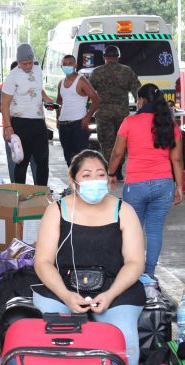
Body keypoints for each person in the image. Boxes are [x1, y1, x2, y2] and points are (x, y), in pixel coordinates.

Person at [33, 150, 146, 365]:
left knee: (124, 338)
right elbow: (43, 261)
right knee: (52, 338)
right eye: (86, 175)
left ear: (108, 178)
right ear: (73, 180)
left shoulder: (124, 211)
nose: (94, 180)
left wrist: (110, 294)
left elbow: (135, 262)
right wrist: (65, 295)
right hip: (61, 287)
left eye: (100, 174)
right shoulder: (56, 210)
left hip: (116, 288)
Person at [109, 83, 183, 277]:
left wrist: (110, 173)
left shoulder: (129, 122)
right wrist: (179, 187)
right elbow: (176, 159)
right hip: (164, 184)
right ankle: (148, 275)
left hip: (136, 185)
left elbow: (117, 152)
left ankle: (130, 273)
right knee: (154, 231)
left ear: (141, 100)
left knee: (131, 230)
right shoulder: (170, 125)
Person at [1, 43, 55, 186]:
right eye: (24, 63)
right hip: (20, 122)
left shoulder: (38, 70)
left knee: (43, 161)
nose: (27, 66)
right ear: (18, 62)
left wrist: (46, 99)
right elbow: (4, 103)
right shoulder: (12, 77)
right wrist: (8, 127)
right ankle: (20, 192)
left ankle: (42, 193)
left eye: (30, 63)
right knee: (21, 161)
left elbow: (38, 89)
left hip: (38, 121)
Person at [89, 45, 141, 179]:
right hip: (121, 114)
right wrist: (141, 111)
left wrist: (87, 111)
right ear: (118, 57)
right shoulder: (127, 71)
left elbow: (89, 92)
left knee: (106, 142)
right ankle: (118, 170)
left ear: (104, 57)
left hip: (103, 113)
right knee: (121, 141)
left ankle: (109, 168)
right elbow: (137, 92)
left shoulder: (97, 72)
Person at [0, 62, 37, 182]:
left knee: (35, 162)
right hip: (12, 131)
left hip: (32, 130)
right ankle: (16, 189)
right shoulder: (2, 87)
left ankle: (41, 190)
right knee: (15, 162)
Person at [56, 54, 101, 166]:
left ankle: (81, 182)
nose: (67, 66)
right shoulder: (61, 83)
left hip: (78, 124)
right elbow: (59, 102)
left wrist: (87, 117)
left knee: (80, 158)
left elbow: (96, 99)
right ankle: (73, 182)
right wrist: (57, 118)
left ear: (75, 65)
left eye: (70, 63)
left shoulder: (81, 81)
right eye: (64, 64)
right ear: (61, 66)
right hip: (63, 125)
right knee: (68, 157)